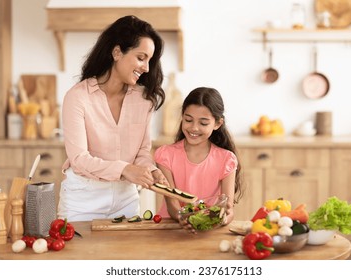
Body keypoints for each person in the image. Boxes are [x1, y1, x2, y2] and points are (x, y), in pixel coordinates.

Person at [58, 15, 169, 222]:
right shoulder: (78, 97)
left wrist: (150, 170)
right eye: (141, 57)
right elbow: (79, 159)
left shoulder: (144, 100)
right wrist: (125, 169)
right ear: (117, 52)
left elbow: (142, 153)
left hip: (125, 198)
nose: (146, 67)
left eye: (149, 60)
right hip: (83, 198)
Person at [154, 87, 243, 232]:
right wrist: (182, 217)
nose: (194, 128)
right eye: (188, 120)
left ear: (217, 124)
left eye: (203, 123)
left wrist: (222, 219)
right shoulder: (165, 155)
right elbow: (172, 203)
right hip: (170, 229)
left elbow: (228, 208)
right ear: (182, 117)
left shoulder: (226, 159)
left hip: (207, 230)